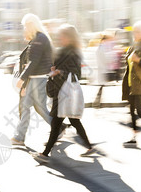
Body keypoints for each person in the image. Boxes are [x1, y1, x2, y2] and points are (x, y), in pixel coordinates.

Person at [31, 24, 95, 163]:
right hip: (63, 91)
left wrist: (58, 71)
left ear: (69, 37)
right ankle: (89, 147)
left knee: (56, 123)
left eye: (62, 35)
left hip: (63, 92)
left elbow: (75, 72)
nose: (59, 38)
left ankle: (45, 154)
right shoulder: (68, 50)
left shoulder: (72, 52)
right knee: (73, 120)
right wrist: (56, 69)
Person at [11, 13, 65, 146]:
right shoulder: (39, 38)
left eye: (25, 26)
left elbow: (33, 62)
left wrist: (22, 78)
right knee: (31, 106)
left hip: (38, 79)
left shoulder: (39, 38)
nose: (24, 29)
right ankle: (20, 136)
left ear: (30, 25)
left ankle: (20, 137)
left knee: (35, 107)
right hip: (36, 78)